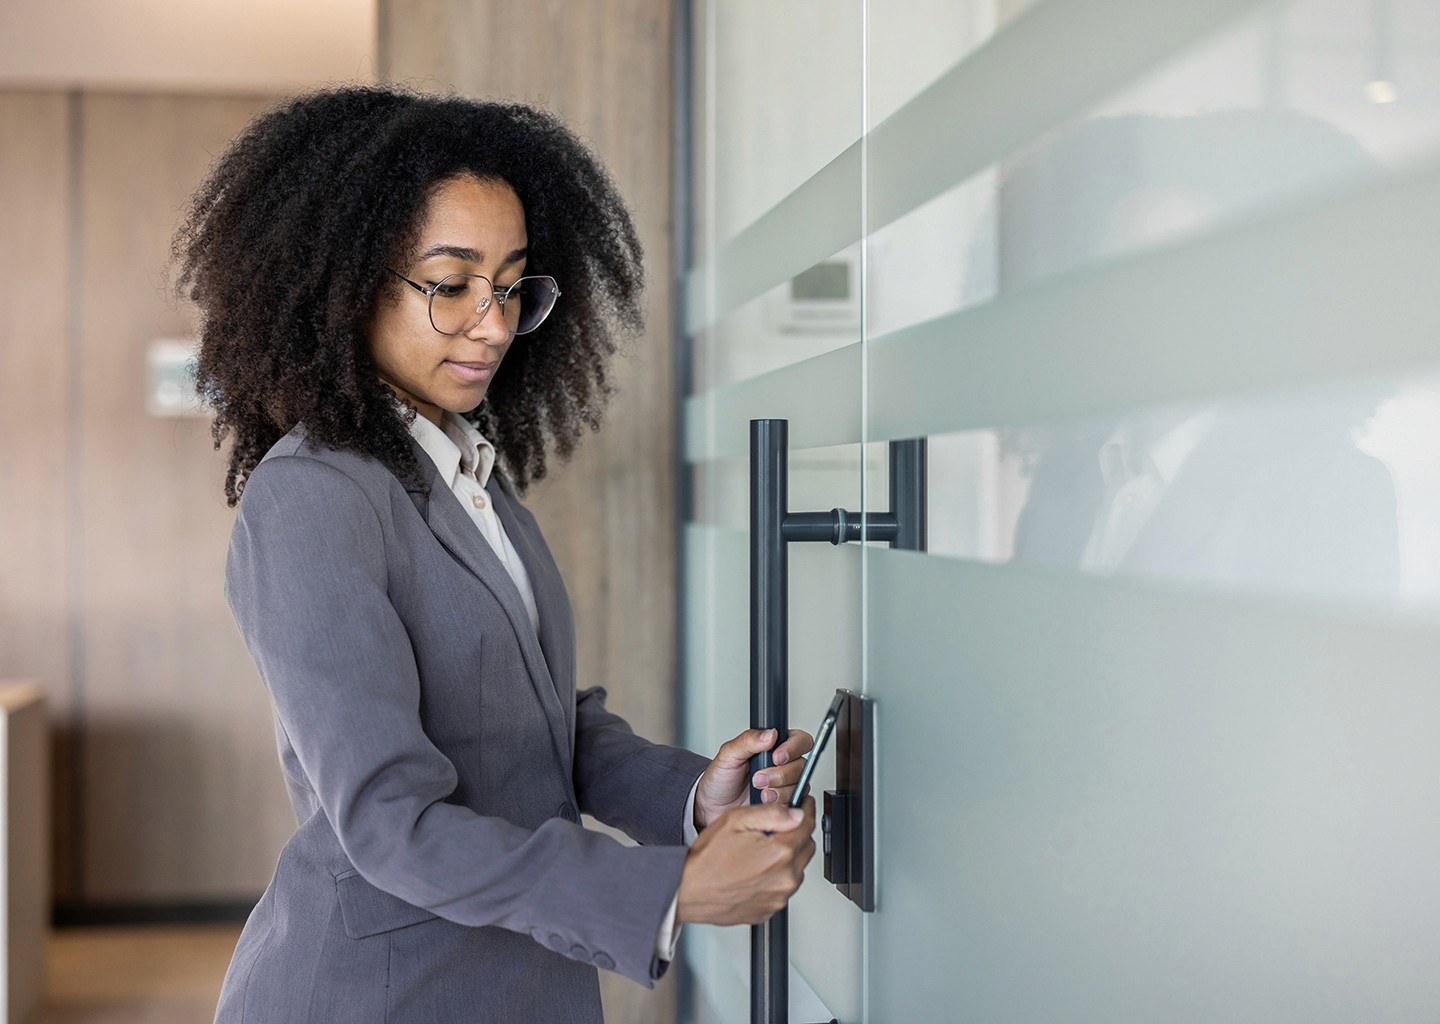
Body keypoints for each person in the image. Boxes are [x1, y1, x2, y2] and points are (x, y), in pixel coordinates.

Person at [173, 86, 817, 1023]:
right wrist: (665, 892)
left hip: (510, 978)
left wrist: (690, 795)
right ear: (345, 286)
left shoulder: (467, 473)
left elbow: (535, 726)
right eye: (451, 283)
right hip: (381, 996)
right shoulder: (313, 495)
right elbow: (391, 826)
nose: (495, 322)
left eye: (512, 283)